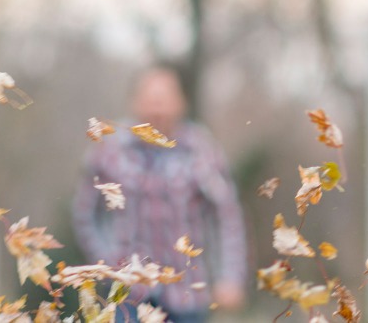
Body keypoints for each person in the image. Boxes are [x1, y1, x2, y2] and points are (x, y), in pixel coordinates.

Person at [73, 66, 247, 322]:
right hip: (127, 294)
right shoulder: (110, 152)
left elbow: (226, 216)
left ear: (181, 103)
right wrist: (106, 263)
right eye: (150, 100)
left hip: (187, 292)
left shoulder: (201, 150)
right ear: (135, 103)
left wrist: (230, 278)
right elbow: (84, 213)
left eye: (164, 100)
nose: (157, 109)